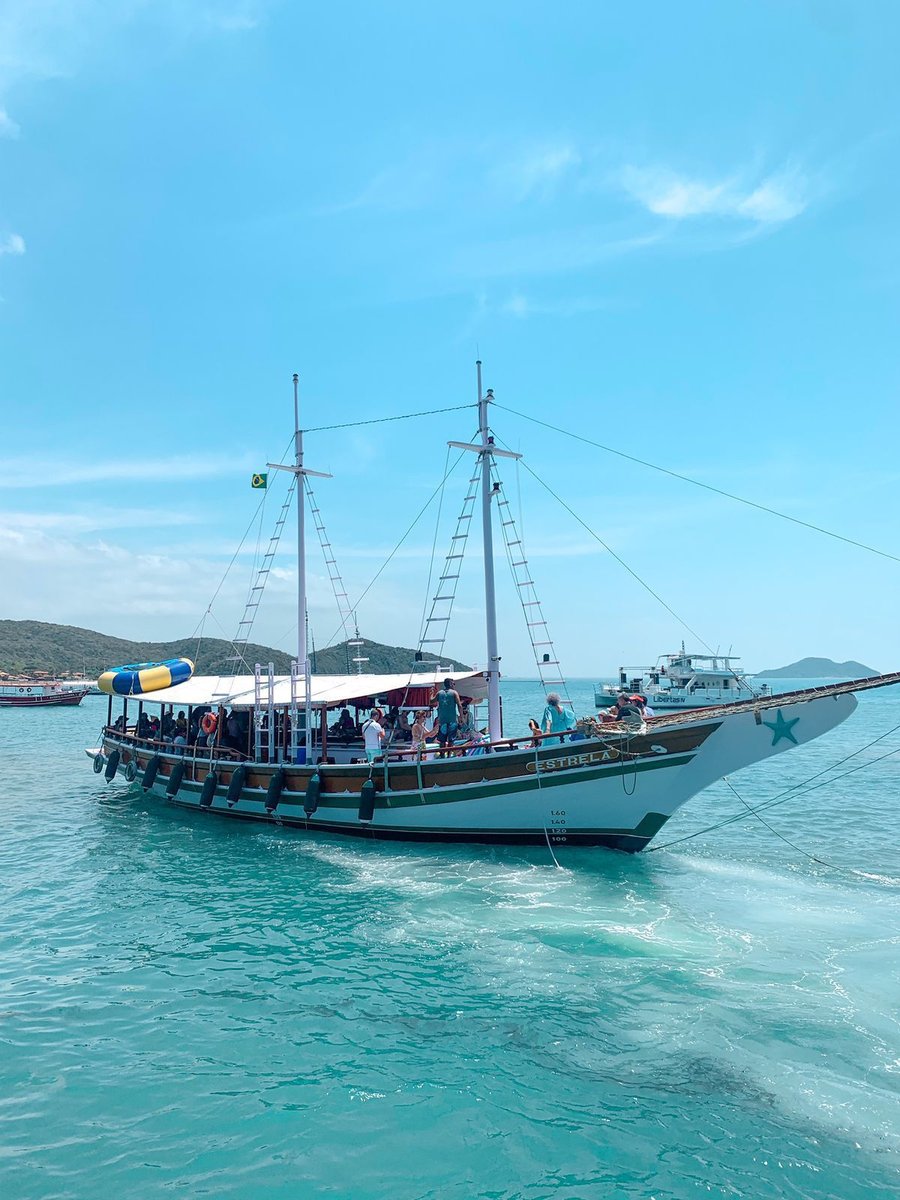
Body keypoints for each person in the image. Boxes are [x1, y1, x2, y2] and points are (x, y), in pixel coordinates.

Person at [434, 677, 462, 756]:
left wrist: (432, 692)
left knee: (442, 740)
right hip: (452, 721)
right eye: (453, 683)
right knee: (451, 740)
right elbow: (459, 705)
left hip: (442, 721)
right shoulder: (454, 693)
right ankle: (449, 755)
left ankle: (442, 755)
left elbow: (431, 701)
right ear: (450, 684)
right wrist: (461, 718)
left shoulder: (439, 693)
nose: (454, 685)